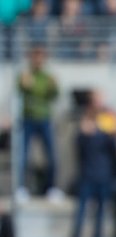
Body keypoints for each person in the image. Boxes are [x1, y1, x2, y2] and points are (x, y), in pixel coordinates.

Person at [16, 46, 63, 201]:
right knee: (23, 155)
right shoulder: (25, 74)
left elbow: (54, 95)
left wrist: (53, 85)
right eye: (35, 56)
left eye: (40, 57)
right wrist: (25, 84)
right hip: (28, 118)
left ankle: (52, 188)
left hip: (44, 118)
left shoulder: (47, 76)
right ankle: (22, 188)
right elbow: (19, 91)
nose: (38, 60)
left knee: (51, 155)